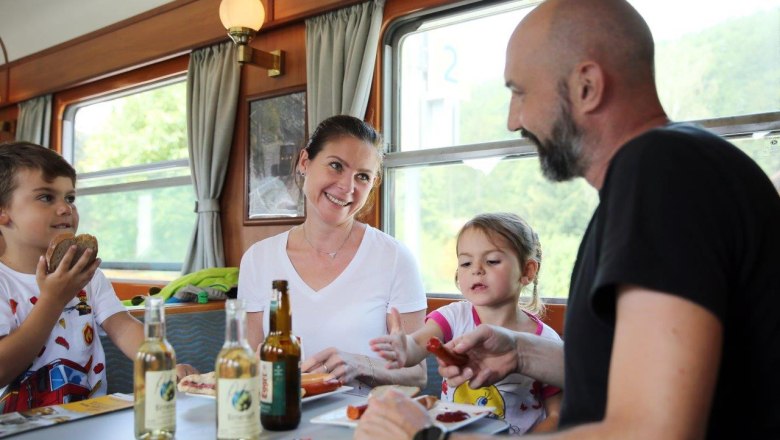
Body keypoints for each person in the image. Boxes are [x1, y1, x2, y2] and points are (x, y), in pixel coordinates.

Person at [355, 0, 780, 438]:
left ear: (587, 86)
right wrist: (520, 352)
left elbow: (653, 431)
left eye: (519, 92)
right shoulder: (668, 169)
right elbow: (631, 369)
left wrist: (433, 436)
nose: (512, 119)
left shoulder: (661, 172)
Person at [0, 141, 196, 413]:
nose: (65, 208)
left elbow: (123, 327)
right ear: (3, 211)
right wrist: (52, 300)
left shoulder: (88, 275)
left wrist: (163, 362)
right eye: (46, 197)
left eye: (70, 198)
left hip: (85, 415)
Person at [239, 115, 428, 392]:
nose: (347, 187)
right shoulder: (258, 259)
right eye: (336, 166)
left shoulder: (395, 257)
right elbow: (247, 363)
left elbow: (418, 374)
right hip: (279, 422)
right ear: (305, 162)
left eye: (362, 176)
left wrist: (362, 366)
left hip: (365, 427)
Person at [370, 213, 561, 434]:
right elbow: (419, 344)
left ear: (527, 271)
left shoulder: (546, 343)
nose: (476, 269)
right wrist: (404, 348)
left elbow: (556, 416)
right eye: (466, 262)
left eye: (492, 261)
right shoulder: (453, 317)